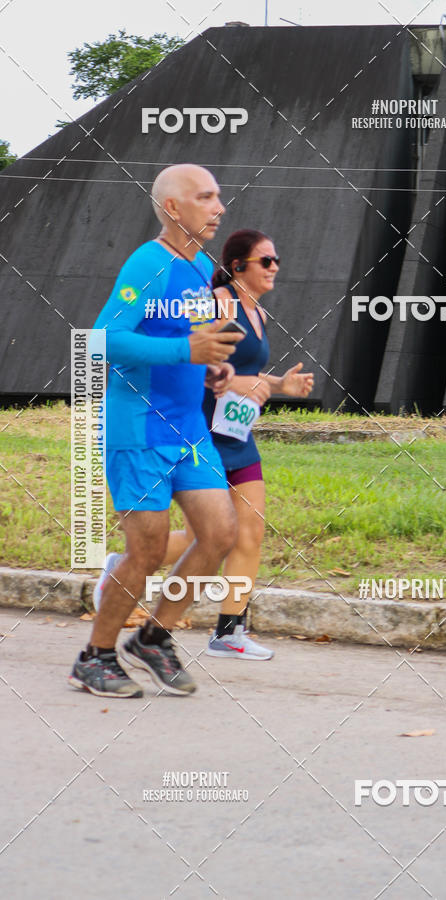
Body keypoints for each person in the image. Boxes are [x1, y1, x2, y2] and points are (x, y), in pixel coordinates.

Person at [70, 164, 244, 699]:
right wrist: (183, 351)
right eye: (205, 197)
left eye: (218, 197)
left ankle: (153, 638)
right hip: (139, 429)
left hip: (188, 429)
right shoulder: (148, 263)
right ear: (173, 208)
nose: (218, 207)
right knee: (145, 550)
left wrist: (207, 366)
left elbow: (182, 341)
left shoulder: (197, 269)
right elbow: (101, 339)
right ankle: (95, 656)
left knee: (219, 534)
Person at [162, 229, 314, 659]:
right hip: (203, 432)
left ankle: (230, 632)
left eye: (276, 260)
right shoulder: (219, 302)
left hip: (238, 434)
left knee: (250, 532)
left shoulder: (258, 314)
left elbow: (248, 377)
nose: (274, 268)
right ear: (237, 266)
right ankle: (129, 561)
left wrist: (281, 383)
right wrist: (240, 382)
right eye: (265, 261)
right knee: (206, 536)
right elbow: (193, 361)